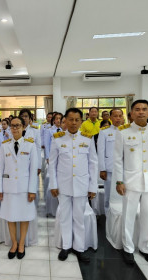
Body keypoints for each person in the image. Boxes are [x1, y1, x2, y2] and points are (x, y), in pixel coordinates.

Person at [113, 100, 148, 266]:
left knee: (147, 215)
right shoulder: (123, 132)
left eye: (144, 109)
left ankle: (145, 248)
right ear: (131, 113)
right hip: (130, 182)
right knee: (128, 216)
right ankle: (128, 248)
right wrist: (119, 181)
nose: (141, 112)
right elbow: (117, 160)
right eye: (137, 109)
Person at [49, 108, 98, 262]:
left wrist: (93, 186)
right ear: (65, 120)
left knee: (79, 217)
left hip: (82, 185)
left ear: (81, 121)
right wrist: (53, 184)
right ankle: (66, 246)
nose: (74, 122)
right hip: (63, 185)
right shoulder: (57, 139)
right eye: (70, 119)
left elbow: (93, 164)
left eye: (77, 119)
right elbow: (52, 164)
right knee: (65, 217)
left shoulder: (87, 139)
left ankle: (79, 248)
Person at [0, 117, 38, 259]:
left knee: (24, 216)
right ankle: (14, 243)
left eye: (18, 126)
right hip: (9, 188)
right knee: (11, 216)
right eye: (12, 126)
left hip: (25, 188)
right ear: (9, 128)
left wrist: (33, 190)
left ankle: (21, 244)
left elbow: (33, 170)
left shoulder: (30, 145)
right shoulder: (4, 146)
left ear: (23, 127)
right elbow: (0, 169)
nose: (15, 128)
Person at [97, 108, 123, 215]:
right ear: (110, 118)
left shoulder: (127, 131)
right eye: (115, 116)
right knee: (109, 196)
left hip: (125, 169)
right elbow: (101, 151)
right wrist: (102, 169)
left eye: (120, 116)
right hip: (110, 169)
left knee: (124, 195)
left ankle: (121, 217)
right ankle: (109, 219)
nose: (118, 118)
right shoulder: (104, 132)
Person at [19, 109, 41, 175]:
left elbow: (38, 148)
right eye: (22, 116)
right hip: (18, 161)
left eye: (26, 116)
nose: (24, 118)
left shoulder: (35, 130)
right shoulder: (15, 130)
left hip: (31, 161)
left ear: (29, 118)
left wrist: (39, 165)